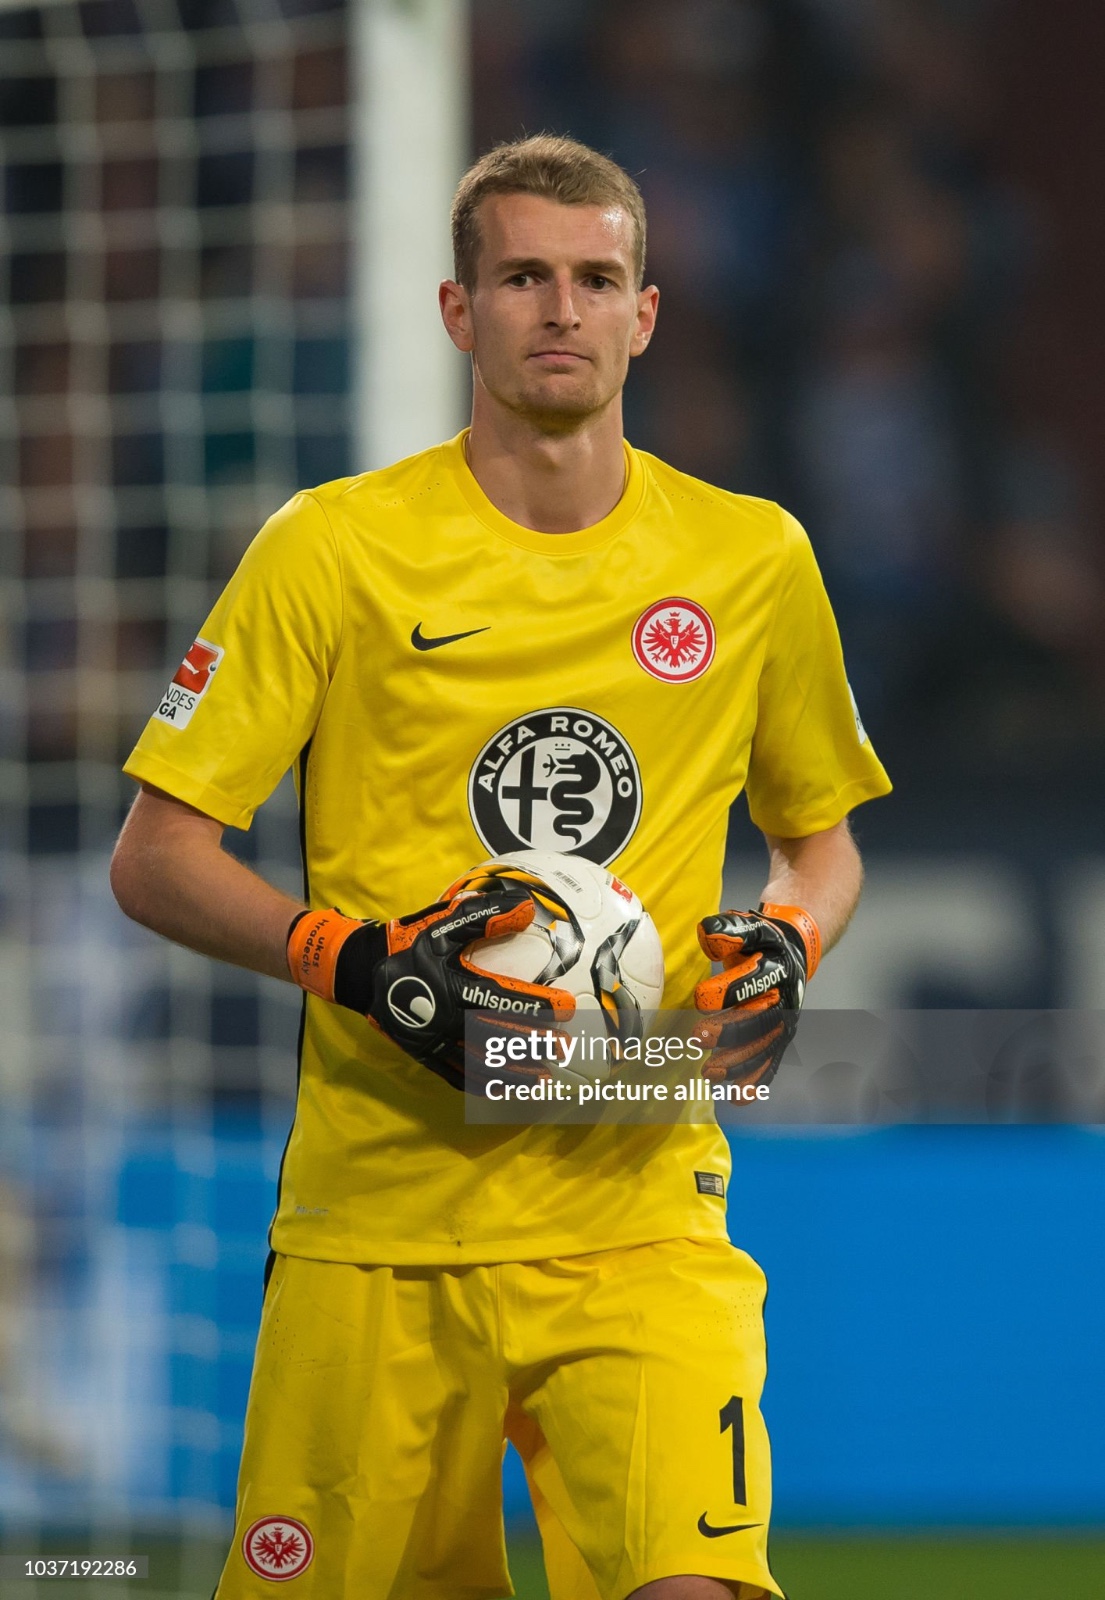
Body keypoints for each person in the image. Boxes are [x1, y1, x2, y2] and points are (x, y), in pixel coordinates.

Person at [111, 135, 890, 1600]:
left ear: (644, 314)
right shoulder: (331, 550)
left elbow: (819, 848)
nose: (561, 308)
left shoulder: (751, 560)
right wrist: (353, 962)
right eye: (522, 276)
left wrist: (782, 943)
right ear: (458, 311)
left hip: (640, 1212)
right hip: (379, 1230)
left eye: (596, 279)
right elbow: (156, 858)